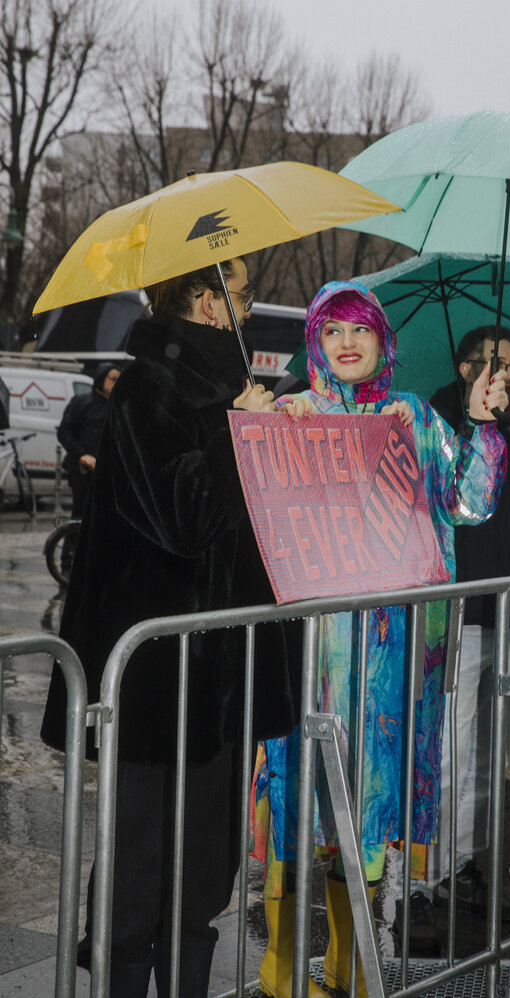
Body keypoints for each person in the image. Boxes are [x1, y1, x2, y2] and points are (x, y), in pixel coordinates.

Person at [41, 258, 298, 998]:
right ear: (203, 300)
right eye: (241, 296)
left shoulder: (225, 386)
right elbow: (180, 518)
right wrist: (237, 432)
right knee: (140, 864)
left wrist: (270, 428)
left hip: (217, 675)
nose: (246, 310)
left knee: (203, 868)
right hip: (154, 678)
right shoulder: (150, 384)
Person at [253, 281, 508, 998]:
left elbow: (470, 501)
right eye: (330, 330)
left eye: (358, 329)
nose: (345, 343)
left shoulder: (415, 417)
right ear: (313, 343)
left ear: (381, 342)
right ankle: (277, 964)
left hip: (390, 660)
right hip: (307, 654)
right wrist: (277, 427)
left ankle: (350, 960)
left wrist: (481, 425)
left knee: (369, 806)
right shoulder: (293, 413)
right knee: (295, 797)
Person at [397, 326, 510, 943]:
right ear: (466, 369)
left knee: (496, 752)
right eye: (498, 364)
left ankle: (489, 863)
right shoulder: (434, 425)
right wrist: (470, 428)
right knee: (453, 746)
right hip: (455, 615)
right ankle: (438, 870)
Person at [57, 362, 122, 517]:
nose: (116, 383)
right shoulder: (82, 402)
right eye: (113, 379)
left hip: (108, 472)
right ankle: (72, 541)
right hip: (83, 471)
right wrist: (82, 455)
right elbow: (64, 432)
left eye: (119, 379)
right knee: (81, 516)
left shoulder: (118, 407)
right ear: (101, 379)